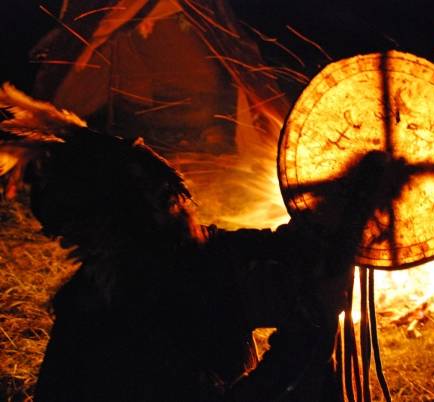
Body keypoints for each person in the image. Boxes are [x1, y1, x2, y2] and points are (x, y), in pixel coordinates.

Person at [0, 85, 394, 401]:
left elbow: (265, 249)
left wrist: (349, 202)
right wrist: (305, 335)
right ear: (139, 220)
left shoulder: (176, 257)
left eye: (175, 196)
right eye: (168, 200)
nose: (185, 206)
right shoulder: (122, 328)